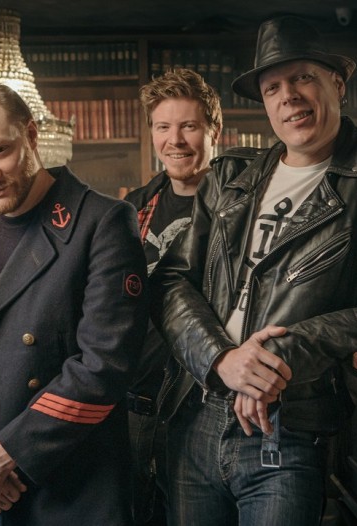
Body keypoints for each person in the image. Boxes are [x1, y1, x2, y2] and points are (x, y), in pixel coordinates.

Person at [151, 15, 357, 525]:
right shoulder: (230, 178)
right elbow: (170, 281)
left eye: (303, 78)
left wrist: (279, 354)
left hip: (288, 424)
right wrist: (221, 358)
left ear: (337, 85)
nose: (289, 97)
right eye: (273, 88)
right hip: (197, 412)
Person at [0, 81, 149, 525]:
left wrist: (5, 457)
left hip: (68, 489)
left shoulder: (102, 222)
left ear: (32, 135)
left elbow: (105, 365)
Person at [124, 67, 222, 525]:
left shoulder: (240, 205)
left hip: (203, 407)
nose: (175, 140)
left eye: (189, 126)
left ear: (214, 130)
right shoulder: (132, 209)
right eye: (163, 126)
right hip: (135, 406)